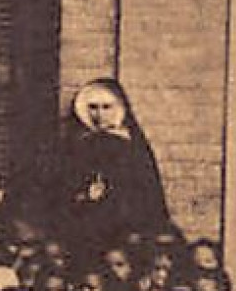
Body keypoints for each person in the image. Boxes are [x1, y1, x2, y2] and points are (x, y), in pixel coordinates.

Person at [54, 78, 171, 259]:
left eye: (106, 107)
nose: (99, 114)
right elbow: (62, 190)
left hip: (126, 228)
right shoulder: (75, 146)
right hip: (86, 226)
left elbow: (147, 192)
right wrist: (84, 197)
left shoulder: (133, 147)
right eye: (93, 107)